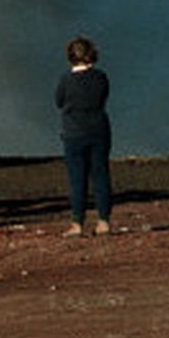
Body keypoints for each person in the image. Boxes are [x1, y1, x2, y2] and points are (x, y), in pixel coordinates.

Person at [55, 35, 112, 236]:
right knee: (101, 175)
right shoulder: (101, 77)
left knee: (77, 179)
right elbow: (104, 96)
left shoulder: (66, 80)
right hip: (98, 130)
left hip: (74, 133)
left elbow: (59, 101)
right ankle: (104, 221)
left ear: (70, 57)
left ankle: (77, 224)